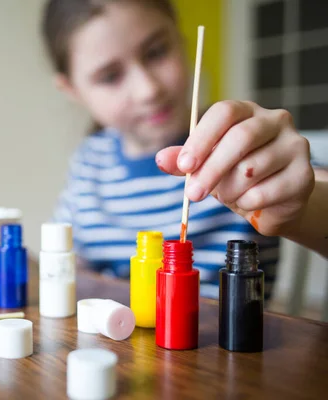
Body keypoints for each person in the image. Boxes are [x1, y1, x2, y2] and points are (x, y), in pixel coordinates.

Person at [41, 0, 328, 299]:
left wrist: (302, 207)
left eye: (156, 52)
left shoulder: (245, 147)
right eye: (111, 76)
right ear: (72, 89)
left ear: (181, 38)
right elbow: (64, 265)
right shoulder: (89, 161)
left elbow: (312, 189)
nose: (148, 90)